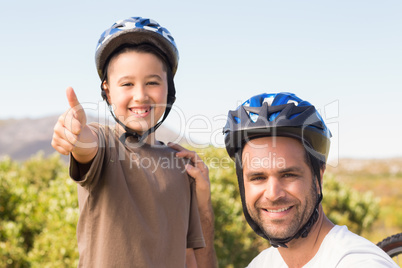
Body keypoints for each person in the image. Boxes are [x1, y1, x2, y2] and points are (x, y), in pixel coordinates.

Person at [52, 16, 216, 267]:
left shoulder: (180, 164)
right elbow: (87, 145)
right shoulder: (105, 142)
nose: (140, 95)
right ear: (107, 91)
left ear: (168, 90)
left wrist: (203, 202)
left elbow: (189, 256)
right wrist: (74, 135)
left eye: (152, 82)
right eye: (127, 83)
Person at [223, 92, 398, 267]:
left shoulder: (358, 263)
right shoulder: (261, 263)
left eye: (288, 175)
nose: (273, 194)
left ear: (318, 177)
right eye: (258, 177)